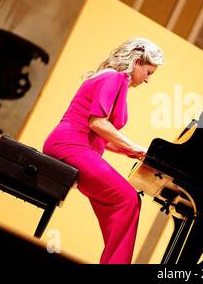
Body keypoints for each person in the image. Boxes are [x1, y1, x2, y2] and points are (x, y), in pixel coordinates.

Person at [43, 38, 164, 264]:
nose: (148, 80)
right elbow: (97, 123)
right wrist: (135, 146)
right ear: (137, 62)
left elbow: (100, 137)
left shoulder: (110, 77)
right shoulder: (115, 77)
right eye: (148, 72)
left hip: (69, 144)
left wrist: (132, 152)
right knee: (128, 200)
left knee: (118, 204)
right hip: (70, 145)